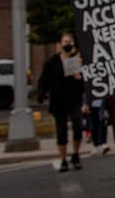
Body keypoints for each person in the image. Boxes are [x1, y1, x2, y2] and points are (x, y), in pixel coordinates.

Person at [37, 32, 87, 173]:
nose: (67, 44)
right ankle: (63, 158)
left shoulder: (78, 60)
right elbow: (44, 80)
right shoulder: (52, 62)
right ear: (60, 44)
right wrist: (41, 93)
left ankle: (76, 154)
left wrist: (79, 75)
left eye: (69, 41)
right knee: (61, 131)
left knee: (78, 126)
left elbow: (85, 82)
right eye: (65, 42)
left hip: (75, 100)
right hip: (58, 101)